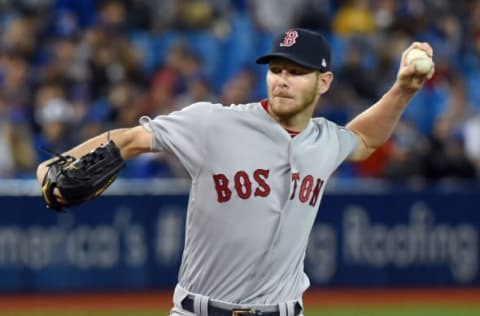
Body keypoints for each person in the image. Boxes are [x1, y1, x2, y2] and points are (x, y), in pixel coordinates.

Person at [36, 28, 434, 316]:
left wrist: (403, 90)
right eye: (277, 69)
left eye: (296, 72)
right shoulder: (214, 123)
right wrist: (54, 165)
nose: (282, 80)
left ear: (324, 81)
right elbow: (130, 139)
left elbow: (364, 140)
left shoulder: (324, 141)